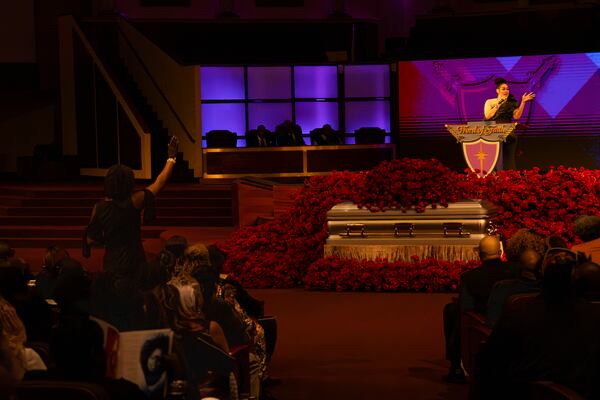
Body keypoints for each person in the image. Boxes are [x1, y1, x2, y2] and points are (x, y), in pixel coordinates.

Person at [84, 136, 179, 287]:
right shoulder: (135, 201)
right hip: (134, 258)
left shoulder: (99, 207)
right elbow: (159, 182)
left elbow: (90, 240)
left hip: (112, 260)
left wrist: (109, 239)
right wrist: (171, 158)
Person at [484, 78, 536, 170]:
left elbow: (517, 116)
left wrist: (523, 102)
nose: (506, 91)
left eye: (507, 89)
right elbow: (487, 116)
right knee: (493, 157)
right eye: (503, 89)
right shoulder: (490, 101)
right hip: (492, 131)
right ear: (497, 91)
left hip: (507, 132)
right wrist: (499, 104)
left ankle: (510, 175)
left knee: (509, 155)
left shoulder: (511, 103)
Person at [139, 334, 169, 400]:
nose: (155, 363)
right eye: (152, 358)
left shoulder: (162, 377)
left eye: (158, 360)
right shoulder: (143, 375)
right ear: (147, 357)